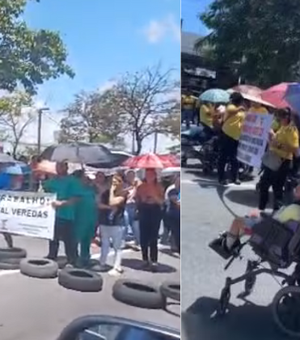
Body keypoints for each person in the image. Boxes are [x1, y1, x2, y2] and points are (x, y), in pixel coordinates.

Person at [214, 184, 300, 258]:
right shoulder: (296, 209)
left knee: (237, 221)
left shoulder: (294, 209)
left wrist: (261, 216)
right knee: (251, 217)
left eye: (298, 189)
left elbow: (276, 220)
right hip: (276, 231)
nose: (295, 189)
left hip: (270, 231)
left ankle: (227, 247)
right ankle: (233, 241)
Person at [259, 108, 299, 211]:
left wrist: (278, 144)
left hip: (282, 162)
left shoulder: (292, 130)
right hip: (274, 159)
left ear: (286, 117)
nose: (278, 119)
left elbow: (294, 149)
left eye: (280, 117)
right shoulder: (282, 127)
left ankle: (276, 210)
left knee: (277, 187)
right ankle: (262, 208)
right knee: (264, 184)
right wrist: (272, 137)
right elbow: (275, 141)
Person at [43, 162, 80, 266]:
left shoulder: (73, 181)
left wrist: (62, 203)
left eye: (61, 166)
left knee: (69, 240)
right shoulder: (53, 180)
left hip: (68, 215)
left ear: (66, 167)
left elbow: (76, 198)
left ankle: (72, 260)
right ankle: (52, 256)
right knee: (53, 238)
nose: (58, 168)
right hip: (53, 215)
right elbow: (45, 190)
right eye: (57, 166)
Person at [98, 174, 127, 276]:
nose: (113, 184)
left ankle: (117, 266)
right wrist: (109, 208)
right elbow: (99, 204)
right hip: (105, 221)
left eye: (115, 182)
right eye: (112, 182)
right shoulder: (105, 192)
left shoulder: (123, 193)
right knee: (104, 243)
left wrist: (111, 191)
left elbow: (112, 202)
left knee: (117, 246)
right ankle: (102, 263)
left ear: (121, 183)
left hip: (117, 222)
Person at [136, 169, 164, 271]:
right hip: (144, 210)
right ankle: (144, 259)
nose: (149, 177)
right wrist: (142, 199)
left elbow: (162, 202)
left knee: (153, 237)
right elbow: (137, 199)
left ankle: (154, 260)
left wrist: (154, 197)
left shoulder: (159, 187)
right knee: (143, 237)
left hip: (155, 210)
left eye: (151, 175)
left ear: (155, 176)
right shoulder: (141, 187)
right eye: (147, 175)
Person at [218, 92, 246, 185]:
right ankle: (221, 177)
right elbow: (231, 111)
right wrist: (240, 109)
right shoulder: (231, 107)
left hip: (236, 136)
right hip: (227, 134)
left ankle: (235, 177)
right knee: (224, 157)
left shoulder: (241, 110)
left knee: (234, 158)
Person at [73, 170, 98, 268]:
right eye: (84, 177)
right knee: (76, 239)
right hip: (79, 218)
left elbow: (96, 202)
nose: (87, 179)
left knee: (87, 240)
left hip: (91, 218)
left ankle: (85, 258)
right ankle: (74, 259)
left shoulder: (92, 189)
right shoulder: (75, 190)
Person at [124, 170, 141, 250]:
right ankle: (124, 241)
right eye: (129, 175)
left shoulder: (138, 184)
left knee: (136, 225)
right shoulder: (123, 184)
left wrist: (135, 188)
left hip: (135, 206)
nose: (131, 177)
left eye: (132, 175)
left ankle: (138, 242)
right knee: (125, 223)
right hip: (125, 206)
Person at [165, 175, 180, 254]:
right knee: (175, 231)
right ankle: (175, 246)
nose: (179, 183)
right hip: (173, 214)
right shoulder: (172, 190)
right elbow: (177, 202)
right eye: (177, 181)